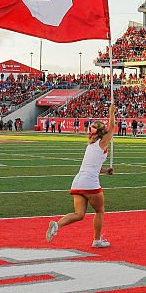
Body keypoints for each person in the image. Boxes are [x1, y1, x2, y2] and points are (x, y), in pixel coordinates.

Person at [47, 103, 116, 248]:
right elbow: (113, 128)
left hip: (78, 181)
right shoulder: (101, 143)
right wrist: (111, 113)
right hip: (90, 182)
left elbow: (94, 167)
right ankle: (97, 240)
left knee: (79, 214)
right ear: (102, 132)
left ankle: (57, 225)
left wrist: (105, 171)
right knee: (100, 210)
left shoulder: (91, 145)